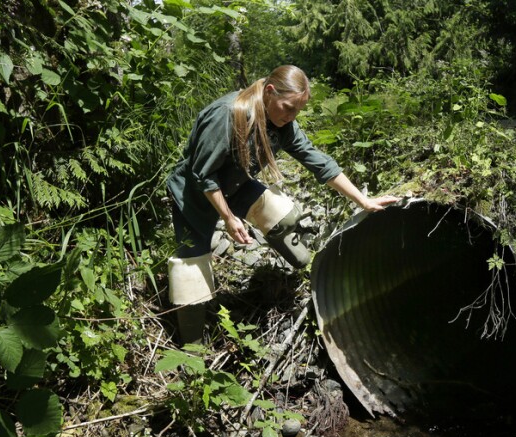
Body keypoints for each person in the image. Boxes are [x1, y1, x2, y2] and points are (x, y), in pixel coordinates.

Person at [166, 65, 399, 344]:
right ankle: (191, 347)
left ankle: (302, 268)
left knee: (285, 216)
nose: (291, 117)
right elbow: (203, 175)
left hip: (235, 184)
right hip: (195, 193)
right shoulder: (228, 115)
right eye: (288, 108)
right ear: (269, 92)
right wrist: (228, 218)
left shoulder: (283, 124)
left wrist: (363, 201)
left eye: (297, 111)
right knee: (191, 274)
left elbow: (317, 161)